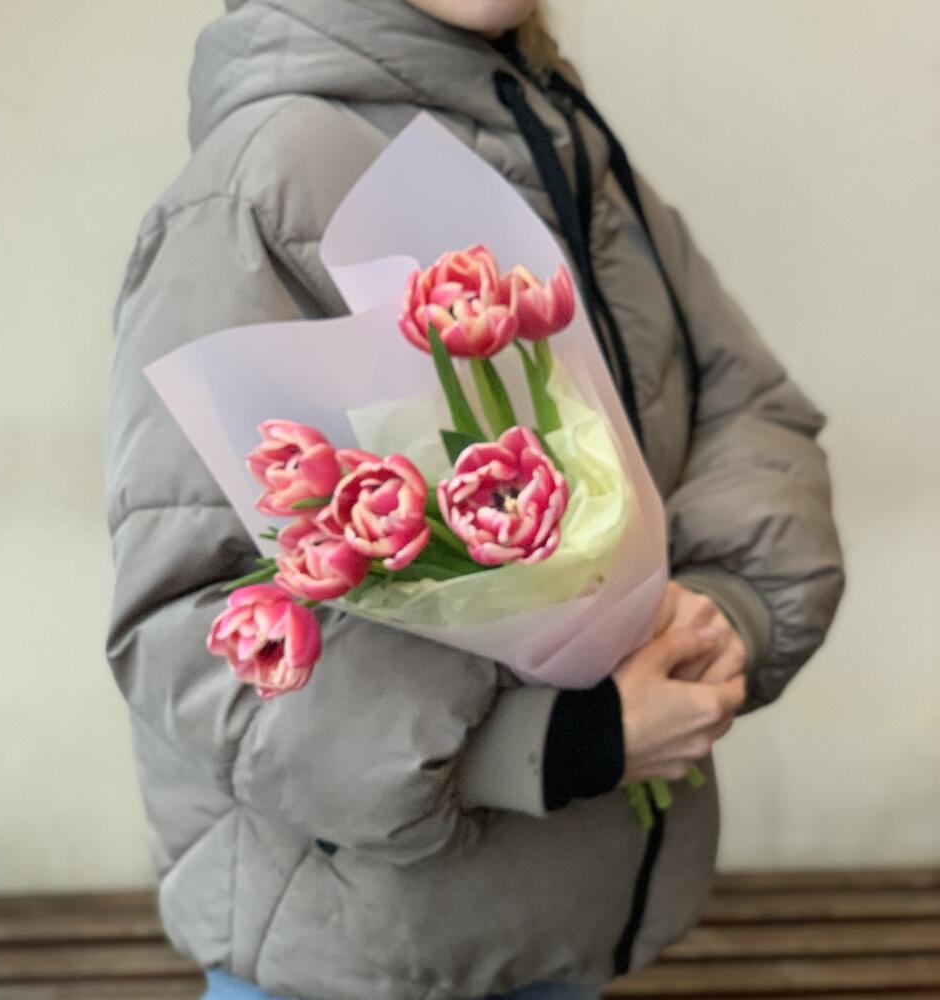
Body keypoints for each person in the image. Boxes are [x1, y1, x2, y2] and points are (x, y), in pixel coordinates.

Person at [104, 2, 845, 998]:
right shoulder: (266, 180)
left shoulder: (559, 136)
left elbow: (749, 406)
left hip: (561, 928)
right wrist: (549, 744)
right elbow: (193, 628)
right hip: (358, 954)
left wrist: (719, 612)